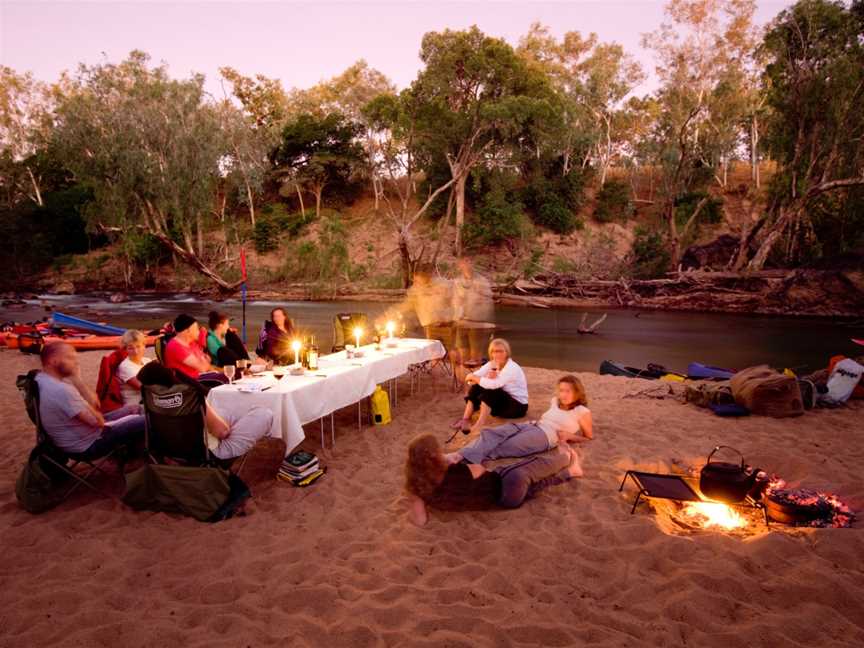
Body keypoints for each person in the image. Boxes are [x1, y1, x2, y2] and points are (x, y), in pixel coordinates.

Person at [404, 433, 581, 527]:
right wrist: (451, 461)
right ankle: (566, 457)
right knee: (534, 464)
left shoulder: (415, 487)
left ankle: (571, 472)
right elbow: (480, 469)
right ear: (436, 456)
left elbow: (420, 521)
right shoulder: (454, 472)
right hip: (507, 483)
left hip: (505, 502)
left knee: (534, 487)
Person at [448, 375, 592, 475]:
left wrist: (570, 436)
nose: (563, 395)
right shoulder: (555, 401)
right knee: (492, 434)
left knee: (506, 446)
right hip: (533, 425)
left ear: (577, 392)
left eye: (568, 391)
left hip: (546, 436)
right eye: (561, 390)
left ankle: (461, 460)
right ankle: (458, 455)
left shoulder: (582, 411)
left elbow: (589, 437)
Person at [138, 362, 273, 461]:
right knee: (264, 413)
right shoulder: (189, 395)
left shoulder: (152, 398)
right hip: (211, 452)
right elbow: (223, 433)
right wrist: (226, 428)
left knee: (225, 412)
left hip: (172, 449)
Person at [35, 341, 145, 458]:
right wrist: (77, 381)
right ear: (53, 361)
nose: (76, 362)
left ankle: (135, 450)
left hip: (79, 435)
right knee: (150, 419)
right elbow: (98, 421)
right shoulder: (61, 390)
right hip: (89, 444)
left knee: (135, 408)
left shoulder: (41, 379)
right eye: (70, 358)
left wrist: (76, 381)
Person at [454, 338, 528, 434]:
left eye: (500, 351)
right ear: (491, 353)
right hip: (503, 401)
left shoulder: (511, 367)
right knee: (477, 386)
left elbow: (494, 385)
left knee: (491, 389)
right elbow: (475, 377)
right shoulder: (492, 364)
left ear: (507, 352)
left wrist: (475, 378)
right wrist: (473, 380)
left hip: (517, 406)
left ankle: (479, 424)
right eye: (494, 351)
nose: (497, 354)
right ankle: (465, 419)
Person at [453, 258, 495, 366]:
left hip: (477, 322)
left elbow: (488, 299)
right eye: (463, 262)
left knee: (475, 358)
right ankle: (464, 380)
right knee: (462, 357)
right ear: (459, 266)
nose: (466, 264)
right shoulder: (457, 281)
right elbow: (455, 300)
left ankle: (476, 380)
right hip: (461, 322)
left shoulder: (482, 281)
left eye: (468, 261)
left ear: (472, 263)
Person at [164, 314, 224, 382]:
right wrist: (204, 361)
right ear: (188, 331)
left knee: (230, 375)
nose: (198, 331)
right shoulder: (175, 346)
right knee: (227, 378)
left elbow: (207, 362)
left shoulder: (192, 343)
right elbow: (202, 367)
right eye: (196, 329)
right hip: (191, 382)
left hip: (201, 376)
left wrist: (222, 370)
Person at [115, 329, 152, 407]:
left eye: (138, 346)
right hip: (135, 406)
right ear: (125, 349)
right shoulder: (125, 366)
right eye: (131, 348)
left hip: (150, 401)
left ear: (144, 346)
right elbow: (143, 388)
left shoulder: (147, 361)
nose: (135, 351)